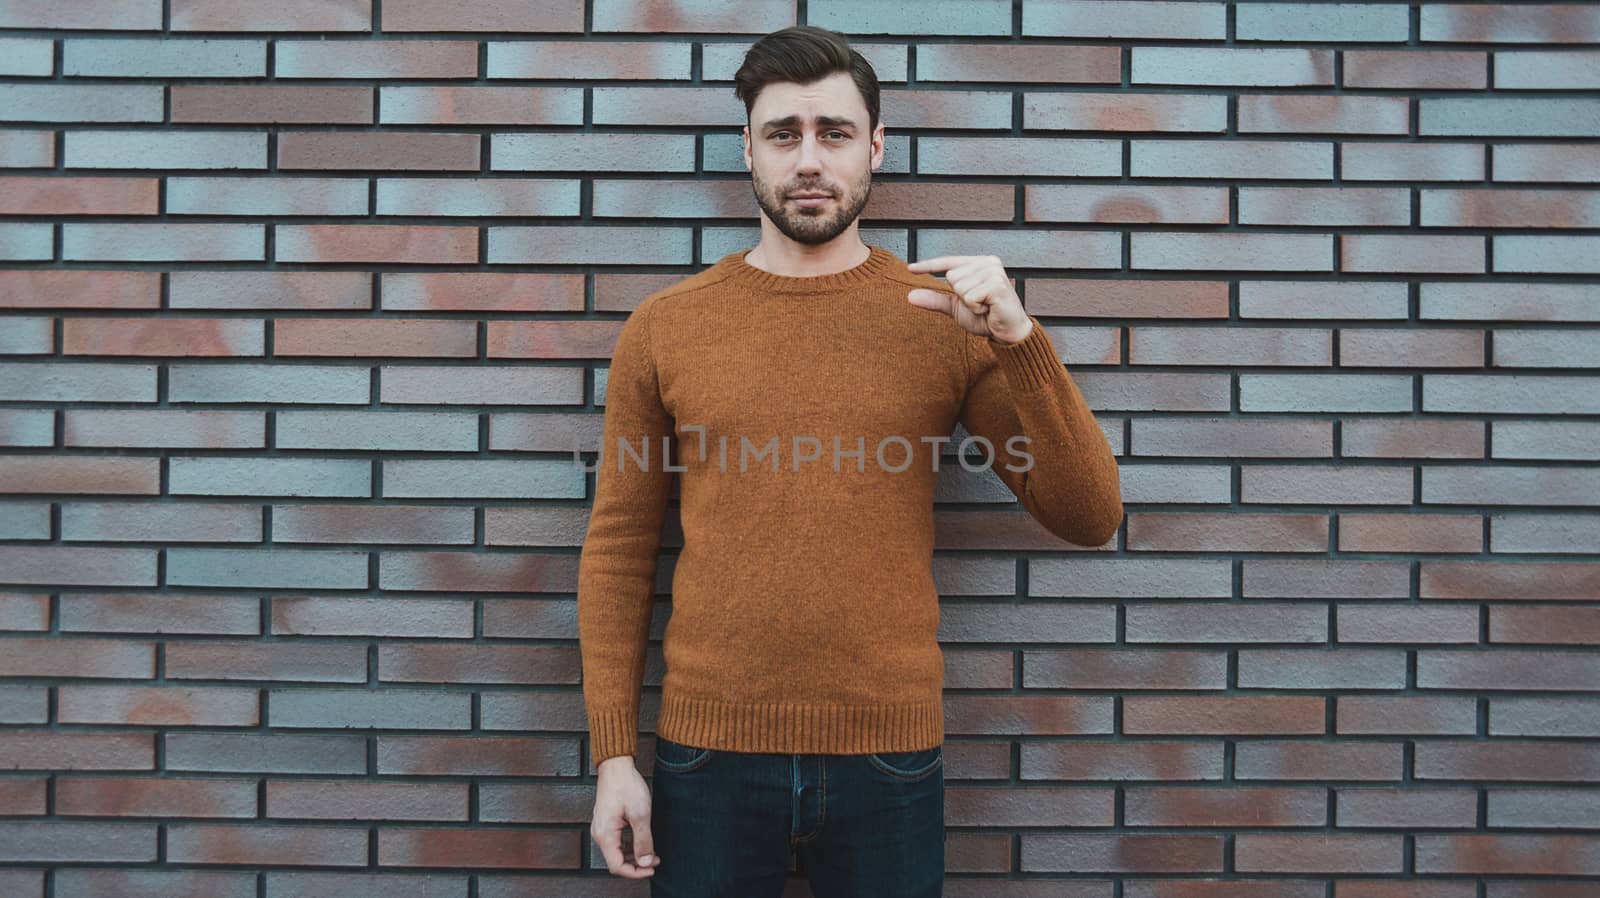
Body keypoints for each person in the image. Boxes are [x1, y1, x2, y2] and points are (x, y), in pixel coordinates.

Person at [578, 24, 1124, 898]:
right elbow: (617, 552)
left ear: (875, 146)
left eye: (833, 133)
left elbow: (1090, 514)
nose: (808, 159)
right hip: (707, 759)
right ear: (746, 147)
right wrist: (613, 756)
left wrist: (1020, 340)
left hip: (889, 761)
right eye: (783, 133)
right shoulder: (665, 326)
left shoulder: (942, 319)